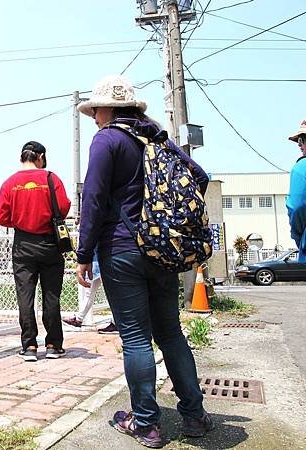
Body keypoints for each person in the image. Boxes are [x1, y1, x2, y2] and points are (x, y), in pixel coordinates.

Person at [75, 75, 213, 448]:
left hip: (121, 250)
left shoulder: (107, 140)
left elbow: (94, 199)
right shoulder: (154, 137)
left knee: (136, 337)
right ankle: (195, 415)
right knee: (170, 333)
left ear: (107, 109)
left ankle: (147, 423)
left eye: (95, 110)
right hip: (162, 250)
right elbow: (200, 175)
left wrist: (83, 254)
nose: (93, 117)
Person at [0, 141, 71, 362]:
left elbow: (2, 217)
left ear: (22, 158)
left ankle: (29, 346)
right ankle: (53, 345)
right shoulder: (51, 178)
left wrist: (21, 219)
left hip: (22, 244)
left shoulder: (9, 183)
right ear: (40, 157)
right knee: (51, 295)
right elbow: (64, 207)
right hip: (49, 243)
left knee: (25, 296)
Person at [62, 250, 118, 334]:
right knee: (110, 293)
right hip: (101, 261)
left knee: (110, 293)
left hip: (98, 262)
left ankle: (79, 319)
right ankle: (79, 319)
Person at [287, 120, 306, 262]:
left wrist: (300, 238)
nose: (299, 144)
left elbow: (297, 207)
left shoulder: (301, 168)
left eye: (301, 139)